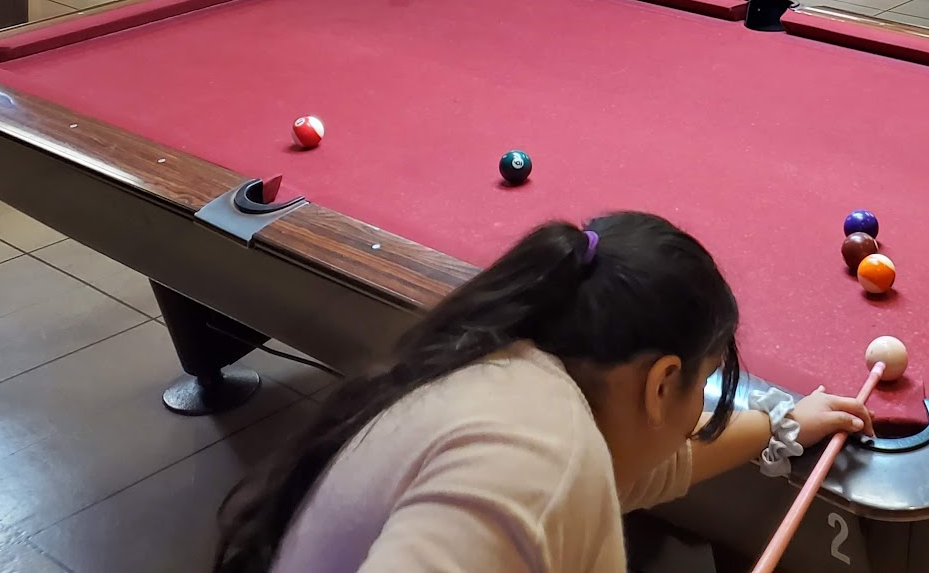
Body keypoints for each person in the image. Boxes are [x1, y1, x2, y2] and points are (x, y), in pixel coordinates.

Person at [213, 211, 875, 573]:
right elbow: (572, 478)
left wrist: (782, 423)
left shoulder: (514, 371)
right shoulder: (542, 460)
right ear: (660, 383)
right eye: (701, 386)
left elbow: (654, 463)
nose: (695, 412)